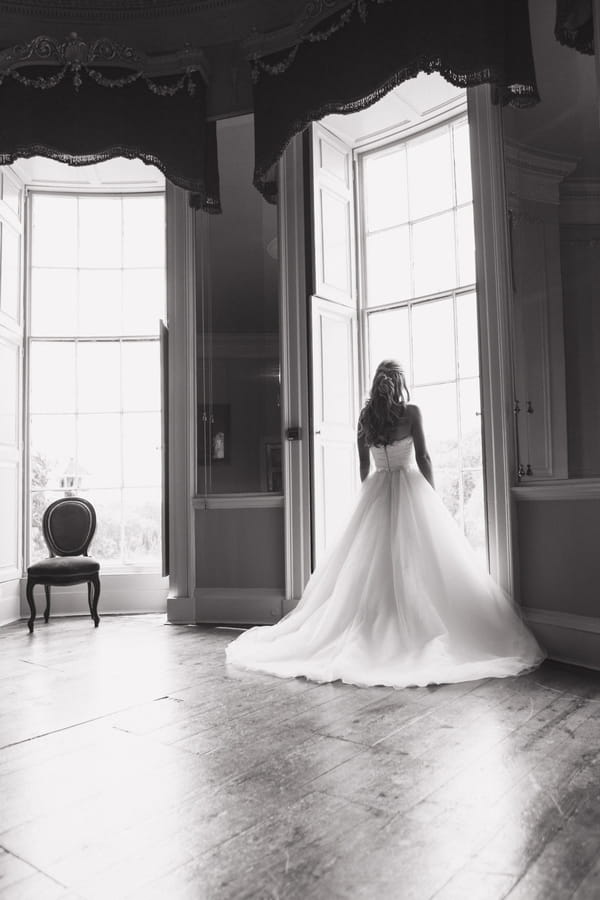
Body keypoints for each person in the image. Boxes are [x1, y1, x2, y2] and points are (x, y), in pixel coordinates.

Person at [226, 359, 544, 688]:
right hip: (410, 488)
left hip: (378, 489)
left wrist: (369, 499)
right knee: (419, 562)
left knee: (372, 568)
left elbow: (364, 466)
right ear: (399, 384)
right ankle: (414, 629)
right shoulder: (411, 413)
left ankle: (377, 627)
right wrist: (432, 495)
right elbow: (423, 457)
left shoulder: (366, 418)